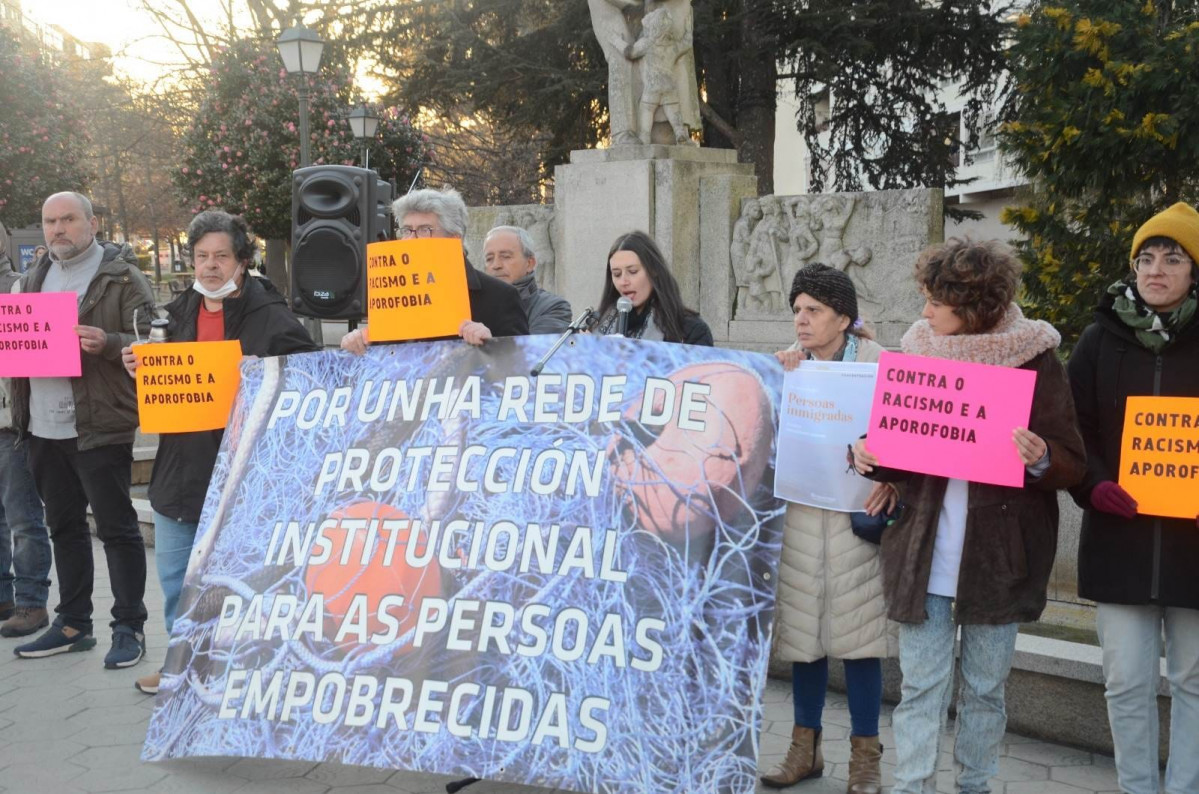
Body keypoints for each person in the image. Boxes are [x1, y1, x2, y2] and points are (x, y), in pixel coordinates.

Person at [852, 237, 1085, 794]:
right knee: (920, 687)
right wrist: (863, 453)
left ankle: (974, 786)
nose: (925, 312)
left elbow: (1072, 460)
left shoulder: (1035, 357)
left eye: (936, 301)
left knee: (984, 689)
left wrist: (1041, 458)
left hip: (999, 559)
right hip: (923, 555)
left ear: (973, 306)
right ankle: (912, 786)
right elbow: (891, 441)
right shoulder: (917, 351)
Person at [121, 211, 317, 695]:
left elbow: (312, 381)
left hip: (246, 472)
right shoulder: (172, 316)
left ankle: (242, 670)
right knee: (176, 577)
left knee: (241, 579)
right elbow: (163, 388)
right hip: (179, 471)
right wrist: (139, 367)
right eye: (202, 256)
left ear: (242, 261)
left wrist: (266, 371)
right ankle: (181, 667)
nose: (210, 266)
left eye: (221, 257)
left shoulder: (272, 317)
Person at [1066, 202, 1199, 794]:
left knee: (1195, 680)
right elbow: (1074, 429)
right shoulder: (1100, 339)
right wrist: (1093, 484)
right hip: (1119, 541)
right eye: (1146, 258)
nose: (1156, 269)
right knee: (1124, 682)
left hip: (1193, 547)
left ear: (1193, 271)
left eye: (1173, 258)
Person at [762, 264, 894, 794]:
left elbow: (902, 440)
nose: (801, 319)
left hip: (856, 521)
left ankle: (866, 756)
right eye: (797, 309)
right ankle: (804, 747)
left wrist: (892, 479)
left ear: (843, 318)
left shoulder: (879, 366)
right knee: (804, 640)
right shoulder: (788, 365)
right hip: (800, 520)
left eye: (813, 309)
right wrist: (777, 380)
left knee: (861, 640)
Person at [10, 192, 156, 668]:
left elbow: (156, 341)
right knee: (64, 528)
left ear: (92, 224)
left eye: (68, 219)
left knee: (117, 529)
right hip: (42, 427)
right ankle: (73, 624)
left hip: (99, 424)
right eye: (50, 221)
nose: (58, 229)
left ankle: (129, 627)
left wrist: (110, 342)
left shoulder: (121, 277)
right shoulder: (31, 279)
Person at [341, 187, 528, 354]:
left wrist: (492, 344)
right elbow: (383, 362)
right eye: (406, 230)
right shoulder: (393, 294)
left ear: (454, 239)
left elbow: (522, 364)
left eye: (424, 230)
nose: (411, 240)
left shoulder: (500, 297)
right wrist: (358, 344)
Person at [0, 230, 52, 639]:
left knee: (23, 518)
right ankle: (5, 598)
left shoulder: (20, 290)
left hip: (11, 424)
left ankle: (31, 603)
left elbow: (42, 352)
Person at [592, 230, 713, 345]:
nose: (623, 282)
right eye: (617, 274)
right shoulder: (598, 327)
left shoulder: (690, 330)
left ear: (653, 270)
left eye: (633, 271)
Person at [482, 225, 572, 334]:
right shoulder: (473, 307)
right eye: (489, 259)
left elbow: (537, 344)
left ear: (530, 263)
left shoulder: (553, 307)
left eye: (505, 257)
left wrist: (488, 340)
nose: (496, 265)